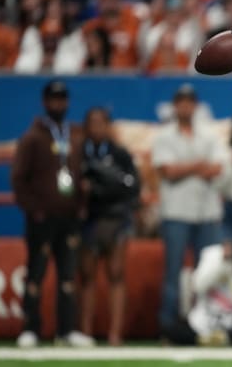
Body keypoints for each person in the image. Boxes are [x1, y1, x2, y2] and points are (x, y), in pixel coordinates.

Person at [11, 80, 94, 347]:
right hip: (42, 218)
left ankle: (66, 330)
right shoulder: (33, 137)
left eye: (62, 99)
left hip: (68, 217)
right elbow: (18, 179)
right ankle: (31, 328)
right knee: (36, 273)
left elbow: (81, 175)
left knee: (68, 277)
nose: (58, 104)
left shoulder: (75, 136)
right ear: (45, 103)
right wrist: (33, 209)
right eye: (54, 99)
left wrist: (81, 204)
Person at [152, 83, 227, 333]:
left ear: (195, 106)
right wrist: (197, 165)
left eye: (189, 102)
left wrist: (184, 167)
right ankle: (168, 327)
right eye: (181, 102)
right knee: (173, 272)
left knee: (205, 272)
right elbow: (166, 171)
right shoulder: (164, 135)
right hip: (176, 212)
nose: (185, 106)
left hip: (206, 212)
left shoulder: (208, 134)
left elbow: (217, 168)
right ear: (175, 106)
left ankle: (201, 326)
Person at [79, 107, 140, 346]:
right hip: (89, 220)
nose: (96, 127)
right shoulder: (79, 152)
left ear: (108, 126)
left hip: (115, 219)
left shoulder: (119, 153)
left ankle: (116, 334)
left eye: (101, 122)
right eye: (92, 122)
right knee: (87, 277)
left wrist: (98, 187)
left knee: (116, 275)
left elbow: (132, 186)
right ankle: (84, 332)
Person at [162, 231, 232, 346]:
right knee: (171, 330)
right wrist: (221, 263)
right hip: (204, 319)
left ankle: (220, 339)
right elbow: (197, 286)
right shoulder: (215, 255)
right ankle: (207, 339)